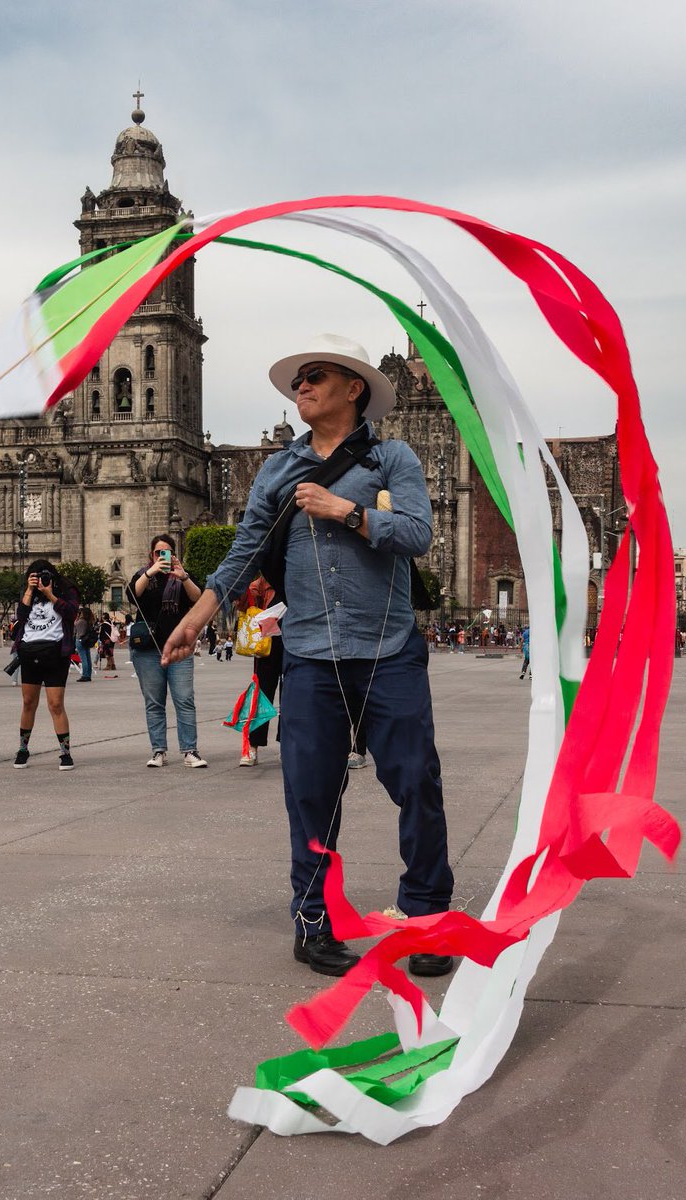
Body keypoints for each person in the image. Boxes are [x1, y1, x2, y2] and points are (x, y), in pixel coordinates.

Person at [163, 333, 454, 978]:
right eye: (297, 379)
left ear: (354, 389)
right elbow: (242, 552)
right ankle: (313, 919)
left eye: (315, 375)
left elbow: (417, 533)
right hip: (311, 654)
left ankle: (429, 914)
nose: (302, 386)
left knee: (415, 782)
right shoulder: (276, 469)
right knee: (311, 794)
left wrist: (347, 512)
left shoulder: (392, 458)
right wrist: (198, 615)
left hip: (388, 648)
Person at [127, 534, 208, 768]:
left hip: (179, 649)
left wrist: (183, 577)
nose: (162, 556)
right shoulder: (143, 575)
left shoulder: (181, 576)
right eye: (157, 553)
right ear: (150, 555)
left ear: (174, 554)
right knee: (154, 702)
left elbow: (198, 597)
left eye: (167, 552)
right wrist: (151, 571)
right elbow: (133, 593)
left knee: (184, 699)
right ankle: (158, 750)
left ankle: (190, 750)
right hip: (148, 651)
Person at [11, 560, 79, 770]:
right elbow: (20, 617)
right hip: (30, 653)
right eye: (35, 576)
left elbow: (71, 613)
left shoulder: (66, 591)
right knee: (28, 703)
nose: (41, 579)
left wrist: (50, 594)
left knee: (56, 704)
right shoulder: (29, 594)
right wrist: (30, 590)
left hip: (56, 654)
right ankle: (23, 749)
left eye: (44, 576)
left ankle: (65, 752)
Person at [233, 574, 283, 766]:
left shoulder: (298, 574)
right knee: (261, 695)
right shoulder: (261, 583)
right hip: (267, 645)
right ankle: (252, 746)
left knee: (292, 697)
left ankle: (287, 745)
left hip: (295, 643)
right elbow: (241, 603)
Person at [73, 607, 96, 682]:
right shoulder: (88, 621)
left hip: (80, 640)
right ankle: (88, 675)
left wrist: (77, 617)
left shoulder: (81, 621)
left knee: (83, 659)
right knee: (88, 658)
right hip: (86, 641)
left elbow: (75, 626)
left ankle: (84, 675)